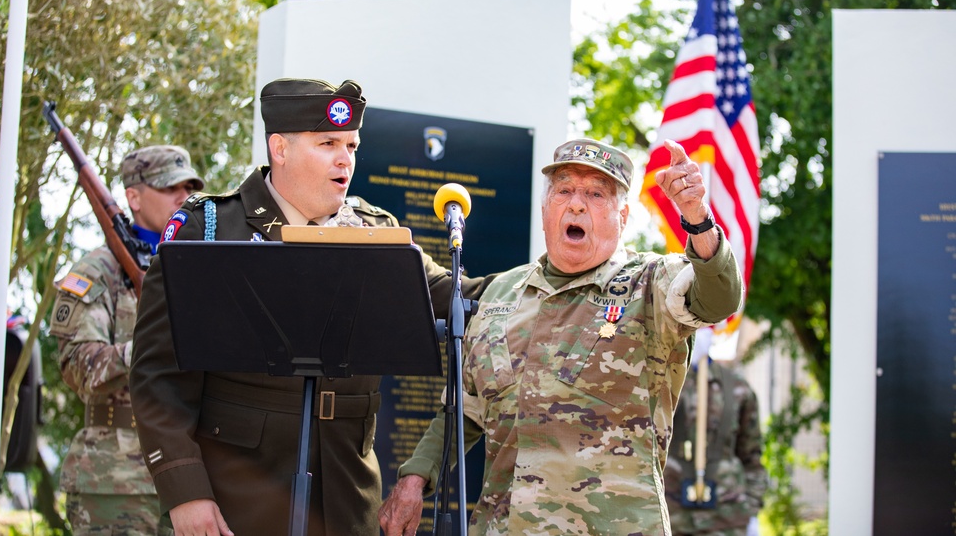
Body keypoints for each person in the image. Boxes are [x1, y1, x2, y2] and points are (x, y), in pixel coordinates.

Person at [130, 78, 493, 536]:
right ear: (279, 148)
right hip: (235, 501)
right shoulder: (209, 231)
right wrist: (186, 493)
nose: (346, 159)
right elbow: (157, 376)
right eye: (327, 143)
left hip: (346, 502)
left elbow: (464, 296)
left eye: (352, 145)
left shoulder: (375, 233)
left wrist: (553, 277)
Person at [379, 136, 744, 536]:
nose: (576, 203)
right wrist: (415, 478)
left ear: (622, 217)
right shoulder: (502, 293)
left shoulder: (651, 283)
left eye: (595, 194)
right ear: (545, 209)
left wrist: (697, 218)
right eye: (565, 190)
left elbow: (717, 299)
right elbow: (466, 411)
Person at [51, 145, 204, 535]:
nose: (183, 198)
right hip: (114, 478)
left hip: (189, 475)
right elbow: (76, 366)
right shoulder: (98, 270)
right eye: (170, 188)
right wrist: (148, 350)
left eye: (189, 187)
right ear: (133, 197)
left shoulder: (197, 265)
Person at [665, 329, 767, 536]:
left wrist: (752, 511)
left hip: (726, 516)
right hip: (671, 514)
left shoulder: (738, 388)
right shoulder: (662, 382)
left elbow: (752, 456)